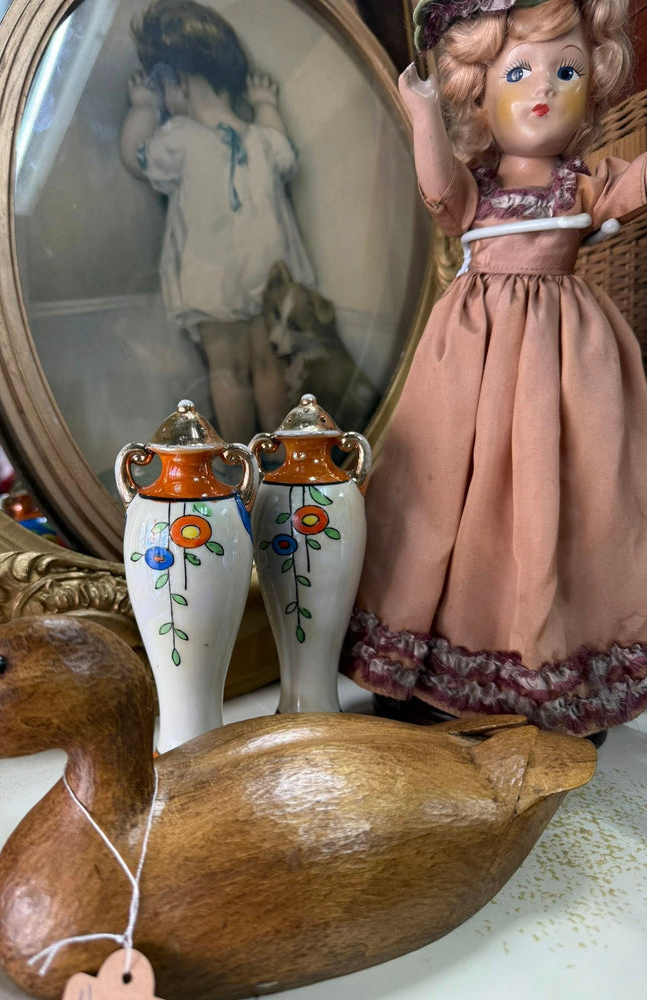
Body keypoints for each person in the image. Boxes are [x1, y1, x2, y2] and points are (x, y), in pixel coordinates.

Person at [341, 0, 647, 736]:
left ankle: (558, 664)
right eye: (518, 71)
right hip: (470, 350)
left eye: (566, 69)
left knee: (569, 496)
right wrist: (421, 116)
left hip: (570, 358)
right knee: (444, 488)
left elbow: (631, 187)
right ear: (481, 92)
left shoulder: (582, 183)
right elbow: (444, 198)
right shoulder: (480, 186)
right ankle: (429, 664)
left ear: (593, 86)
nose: (544, 87)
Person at [120, 0, 315, 443]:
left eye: (161, 87)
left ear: (178, 83)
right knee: (268, 361)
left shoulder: (180, 138)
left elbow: (136, 158)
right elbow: (288, 157)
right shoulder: (263, 139)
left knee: (226, 369)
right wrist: (266, 105)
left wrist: (138, 110)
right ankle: (277, 457)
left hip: (211, 273)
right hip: (266, 267)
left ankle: (240, 457)